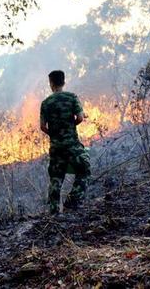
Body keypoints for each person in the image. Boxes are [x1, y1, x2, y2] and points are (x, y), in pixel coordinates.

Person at [40, 70, 91, 214]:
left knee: (56, 178)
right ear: (63, 82)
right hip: (72, 144)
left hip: (56, 146)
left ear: (51, 83)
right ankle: (72, 201)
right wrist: (69, 127)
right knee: (84, 169)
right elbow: (80, 118)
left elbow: (43, 127)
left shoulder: (46, 103)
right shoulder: (71, 97)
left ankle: (54, 212)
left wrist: (55, 134)